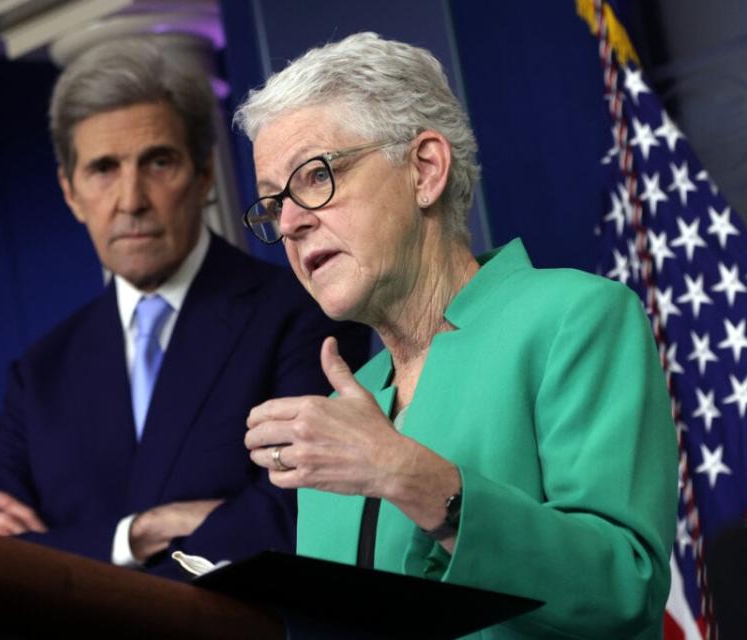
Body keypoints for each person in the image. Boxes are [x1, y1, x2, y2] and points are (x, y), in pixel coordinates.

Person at [238, 32, 676, 638]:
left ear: (425, 169)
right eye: (271, 203)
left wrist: (406, 474)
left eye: (315, 177)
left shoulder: (575, 319)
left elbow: (624, 587)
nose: (288, 222)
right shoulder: (340, 414)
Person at [0, 37, 370, 581]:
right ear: (70, 192)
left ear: (203, 176)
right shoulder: (41, 373)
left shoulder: (302, 312)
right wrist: (139, 533)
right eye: (103, 169)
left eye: (158, 162)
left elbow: (299, 517)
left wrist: (58, 550)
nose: (131, 200)